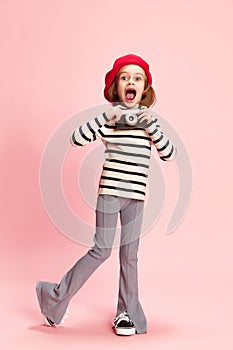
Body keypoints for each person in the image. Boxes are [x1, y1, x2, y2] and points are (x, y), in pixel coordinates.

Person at [36, 54, 177, 336]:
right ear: (116, 86)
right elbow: (76, 138)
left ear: (145, 89)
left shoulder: (148, 122)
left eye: (137, 78)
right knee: (101, 249)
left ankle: (127, 313)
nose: (131, 82)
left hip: (136, 197)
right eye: (125, 77)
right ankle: (54, 298)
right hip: (110, 194)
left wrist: (151, 126)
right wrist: (105, 117)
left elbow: (168, 153)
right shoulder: (109, 119)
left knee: (130, 256)